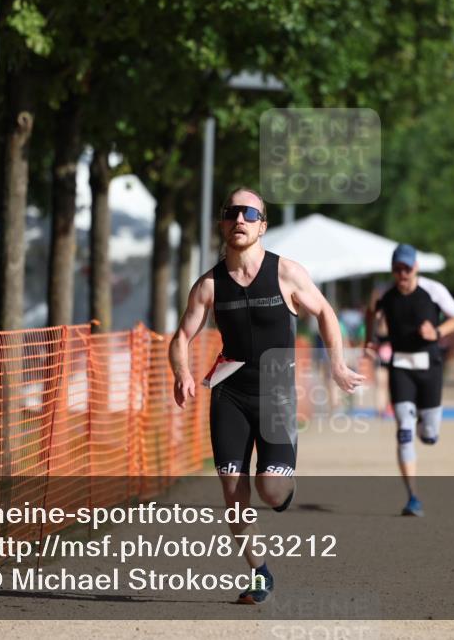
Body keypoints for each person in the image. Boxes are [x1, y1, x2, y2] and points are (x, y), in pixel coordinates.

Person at [169, 187, 364, 605]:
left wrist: (337, 364)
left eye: (249, 213)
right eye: (231, 213)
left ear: (262, 226)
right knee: (232, 491)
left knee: (270, 490)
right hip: (229, 392)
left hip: (276, 392)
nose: (239, 219)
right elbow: (182, 336)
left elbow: (326, 312)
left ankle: (285, 489)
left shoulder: (286, 273)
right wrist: (182, 372)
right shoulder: (209, 285)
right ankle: (260, 573)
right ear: (223, 222)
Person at [365, 244, 454, 517]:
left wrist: (437, 331)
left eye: (407, 268)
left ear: (416, 267)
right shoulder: (386, 295)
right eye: (397, 269)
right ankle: (413, 497)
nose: (402, 274)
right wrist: (369, 340)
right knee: (404, 432)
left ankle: (426, 425)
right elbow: (371, 311)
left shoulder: (433, 291)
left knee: (429, 435)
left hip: (429, 367)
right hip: (401, 367)